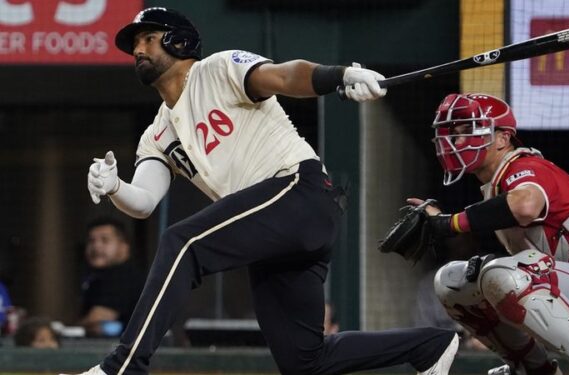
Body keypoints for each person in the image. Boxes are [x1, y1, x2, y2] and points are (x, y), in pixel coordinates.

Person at [75, 7, 458, 375]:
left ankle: (122, 367)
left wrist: (338, 74)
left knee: (183, 242)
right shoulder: (156, 135)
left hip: (297, 192)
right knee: (304, 362)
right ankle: (430, 345)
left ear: (178, 42)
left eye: (148, 38)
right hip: (271, 229)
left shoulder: (217, 69)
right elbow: (143, 202)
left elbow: (285, 77)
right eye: (134, 45)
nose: (138, 50)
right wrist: (115, 187)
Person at [408, 93, 569, 375]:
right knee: (452, 282)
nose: (457, 141)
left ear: (503, 138)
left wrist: (449, 223)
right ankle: (533, 368)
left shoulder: (526, 166)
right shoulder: (496, 183)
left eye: (468, 131)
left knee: (507, 274)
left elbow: (525, 205)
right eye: (454, 133)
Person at [80, 217, 145, 337]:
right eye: (91, 241)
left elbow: (98, 319)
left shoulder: (123, 276)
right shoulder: (95, 276)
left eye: (105, 240)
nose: (96, 246)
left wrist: (74, 327)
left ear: (124, 247)